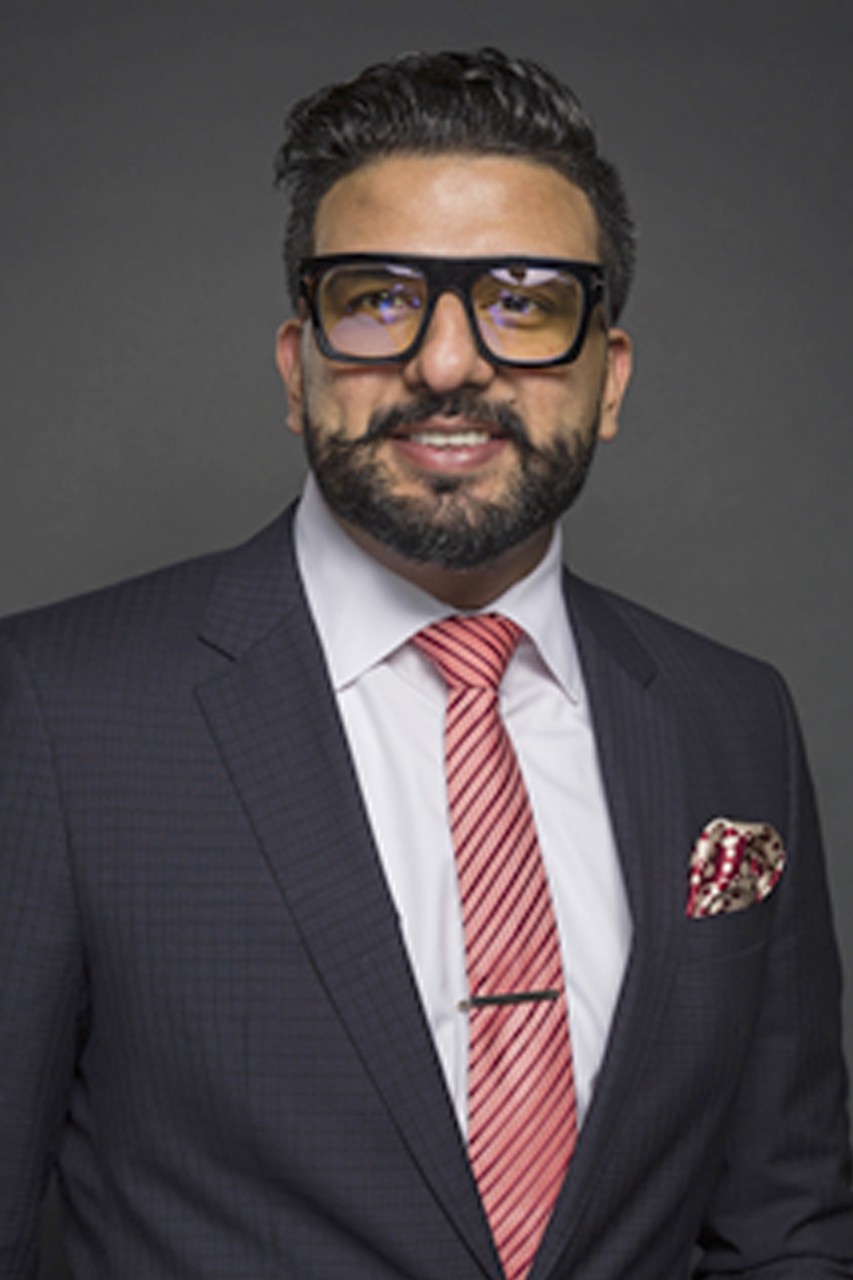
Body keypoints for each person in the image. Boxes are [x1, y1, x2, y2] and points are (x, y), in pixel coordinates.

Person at [1, 47, 851, 1280]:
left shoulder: (734, 718)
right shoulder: (55, 710)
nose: (448, 361)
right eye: (379, 296)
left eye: (524, 299)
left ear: (606, 377)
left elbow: (790, 1222)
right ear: (297, 368)